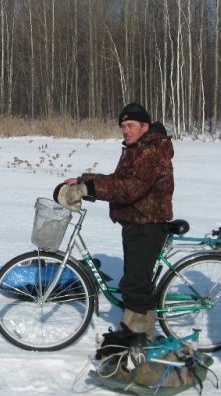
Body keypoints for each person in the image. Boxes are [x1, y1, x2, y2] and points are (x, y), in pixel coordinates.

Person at [55, 103, 173, 339]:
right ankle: (137, 331)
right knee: (135, 282)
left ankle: (137, 339)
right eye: (122, 126)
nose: (126, 131)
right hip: (135, 222)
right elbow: (118, 179)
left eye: (130, 125)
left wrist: (88, 188)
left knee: (135, 286)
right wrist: (82, 180)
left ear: (145, 127)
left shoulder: (151, 151)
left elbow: (130, 188)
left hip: (147, 224)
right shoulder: (136, 148)